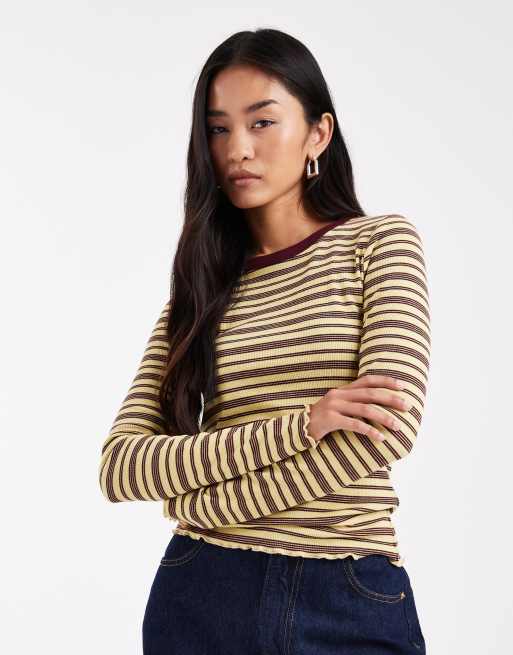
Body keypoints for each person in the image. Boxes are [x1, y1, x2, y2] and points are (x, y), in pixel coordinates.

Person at [98, 27, 429, 655]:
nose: (238, 150)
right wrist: (303, 425)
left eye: (262, 122)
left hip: (347, 595)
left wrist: (202, 507)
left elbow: (385, 432)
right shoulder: (199, 291)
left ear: (318, 134)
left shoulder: (379, 245)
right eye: (218, 129)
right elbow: (122, 466)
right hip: (201, 593)